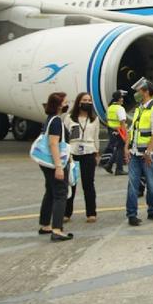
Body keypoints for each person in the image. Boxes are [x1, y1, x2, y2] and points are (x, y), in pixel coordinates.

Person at [125, 79, 153, 226]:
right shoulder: (139, 108)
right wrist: (126, 147)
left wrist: (148, 152)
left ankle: (152, 210)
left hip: (149, 155)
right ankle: (131, 214)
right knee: (132, 185)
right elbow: (132, 129)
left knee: (152, 185)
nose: (136, 94)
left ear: (146, 92)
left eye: (138, 91)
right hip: (135, 153)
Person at [39, 92, 73, 241]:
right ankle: (57, 229)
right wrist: (59, 166)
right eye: (65, 102)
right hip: (55, 162)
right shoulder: (56, 122)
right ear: (59, 105)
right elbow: (53, 143)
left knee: (50, 192)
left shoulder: (49, 119)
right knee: (60, 193)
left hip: (47, 163)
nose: (67, 104)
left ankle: (45, 224)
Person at [63, 92, 100, 223]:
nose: (87, 102)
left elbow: (96, 137)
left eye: (89, 100)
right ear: (79, 102)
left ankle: (91, 213)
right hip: (72, 153)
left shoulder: (94, 119)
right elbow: (65, 138)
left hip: (89, 152)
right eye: (84, 100)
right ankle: (66, 213)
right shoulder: (69, 118)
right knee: (71, 183)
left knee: (88, 184)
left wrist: (97, 152)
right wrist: (65, 154)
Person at [102, 90, 129, 175]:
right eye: (121, 97)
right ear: (119, 99)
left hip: (111, 130)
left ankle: (109, 165)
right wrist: (125, 134)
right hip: (119, 131)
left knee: (118, 148)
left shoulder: (110, 107)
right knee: (120, 149)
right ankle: (119, 169)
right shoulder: (120, 108)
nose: (123, 99)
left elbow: (106, 119)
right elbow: (122, 122)